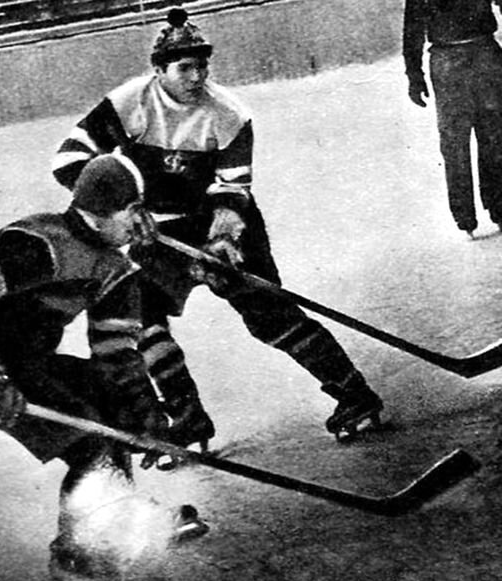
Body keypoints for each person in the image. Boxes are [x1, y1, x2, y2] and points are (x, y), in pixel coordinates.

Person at [51, 9, 383, 456]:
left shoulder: (228, 113)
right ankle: (187, 416)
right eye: (184, 68)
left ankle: (354, 394)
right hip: (158, 233)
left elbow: (232, 189)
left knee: (270, 316)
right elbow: (69, 160)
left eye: (202, 66)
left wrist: (222, 240)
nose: (197, 77)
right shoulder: (130, 101)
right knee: (142, 316)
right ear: (158, 70)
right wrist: (123, 207)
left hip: (223, 223)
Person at [0, 154, 208, 581]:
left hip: (34, 368)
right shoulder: (41, 243)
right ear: (98, 215)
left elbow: (115, 352)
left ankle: (113, 524)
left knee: (116, 415)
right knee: (91, 446)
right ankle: (77, 556)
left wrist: (145, 412)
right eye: (132, 210)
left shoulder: (116, 270)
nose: (142, 222)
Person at [403, 0, 502, 238]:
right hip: (450, 62)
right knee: (456, 142)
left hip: (484, 56)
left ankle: (498, 207)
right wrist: (414, 75)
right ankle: (465, 217)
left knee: (495, 137)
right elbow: (413, 27)